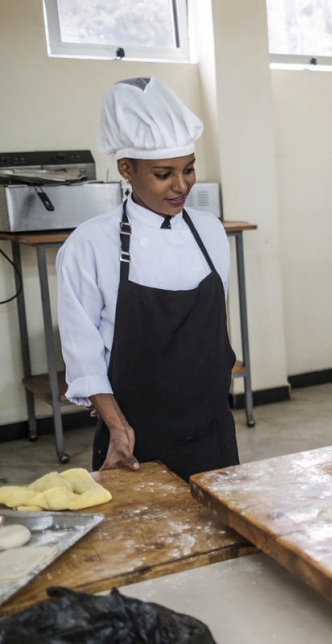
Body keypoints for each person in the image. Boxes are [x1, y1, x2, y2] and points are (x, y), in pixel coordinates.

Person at [57, 77, 239, 480]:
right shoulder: (90, 245)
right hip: (135, 440)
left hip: (212, 433)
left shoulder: (210, 232)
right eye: (163, 173)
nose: (182, 185)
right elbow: (83, 356)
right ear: (126, 168)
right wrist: (118, 430)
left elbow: (208, 339)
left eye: (189, 169)